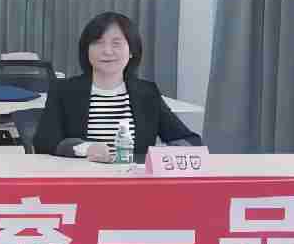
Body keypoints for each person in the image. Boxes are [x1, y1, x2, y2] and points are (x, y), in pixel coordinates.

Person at [34, 12, 201, 160]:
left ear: (131, 51)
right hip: (81, 178)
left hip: (133, 180)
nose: (107, 51)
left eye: (116, 43)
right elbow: (44, 142)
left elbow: (190, 140)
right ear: (86, 50)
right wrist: (85, 148)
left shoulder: (147, 93)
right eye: (98, 43)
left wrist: (164, 153)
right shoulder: (64, 90)